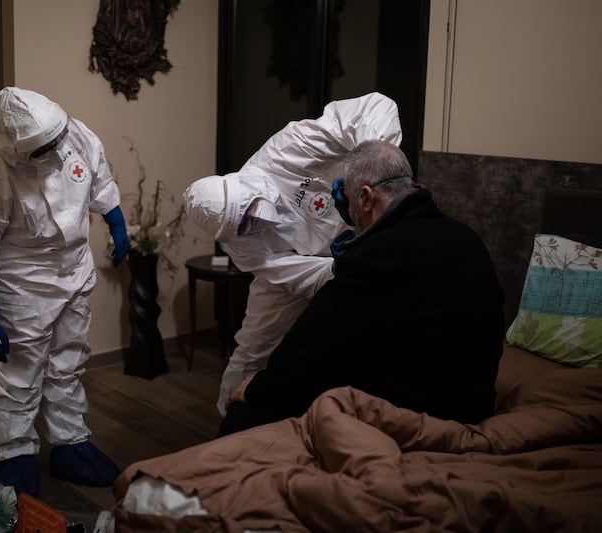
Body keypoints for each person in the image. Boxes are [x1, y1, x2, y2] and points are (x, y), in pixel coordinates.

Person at [220, 139, 505, 436]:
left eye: (351, 201)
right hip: (475, 402)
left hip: (428, 416)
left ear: (366, 198)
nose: (348, 213)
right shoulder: (466, 237)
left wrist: (256, 388)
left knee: (242, 416)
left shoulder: (375, 258)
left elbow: (306, 350)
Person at [0, 87, 131, 496]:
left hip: (74, 268)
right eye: (45, 146)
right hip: (24, 282)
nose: (57, 147)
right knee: (18, 374)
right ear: (18, 147)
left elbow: (99, 177)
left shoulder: (74, 135)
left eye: (58, 138)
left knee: (68, 361)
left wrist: (116, 222)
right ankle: (12, 452)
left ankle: (70, 444)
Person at [183, 92, 402, 417]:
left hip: (373, 211)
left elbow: (378, 106)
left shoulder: (283, 153)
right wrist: (347, 263)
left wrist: (366, 182)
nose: (254, 222)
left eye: (250, 210)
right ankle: (229, 421)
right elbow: (294, 274)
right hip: (312, 260)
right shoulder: (236, 243)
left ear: (242, 184)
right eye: (243, 225)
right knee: (252, 347)